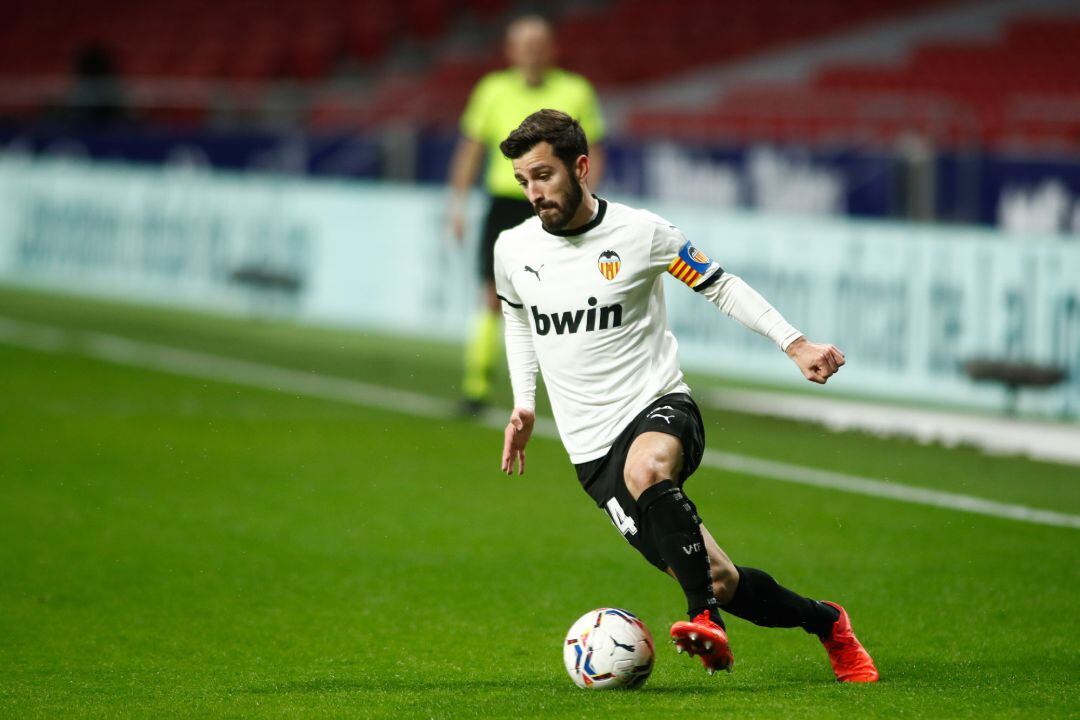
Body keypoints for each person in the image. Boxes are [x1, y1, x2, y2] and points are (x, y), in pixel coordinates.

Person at [493, 109, 879, 682]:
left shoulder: (641, 234)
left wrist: (794, 343)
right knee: (719, 576)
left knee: (648, 468)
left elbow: (720, 285)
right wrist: (524, 403)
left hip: (658, 406)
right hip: (592, 452)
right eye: (524, 181)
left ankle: (704, 619)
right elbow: (518, 322)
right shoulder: (512, 249)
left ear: (581, 166)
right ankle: (827, 623)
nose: (534, 192)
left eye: (544, 175)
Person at [447, 15, 605, 414]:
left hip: (559, 203)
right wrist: (457, 204)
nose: (532, 53)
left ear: (552, 49)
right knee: (492, 296)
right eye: (524, 45)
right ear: (511, 51)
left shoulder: (575, 90)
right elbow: (471, 149)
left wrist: (587, 198)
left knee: (569, 296)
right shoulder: (492, 90)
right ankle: (476, 385)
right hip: (506, 202)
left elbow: (594, 150)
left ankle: (577, 387)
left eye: (539, 45)